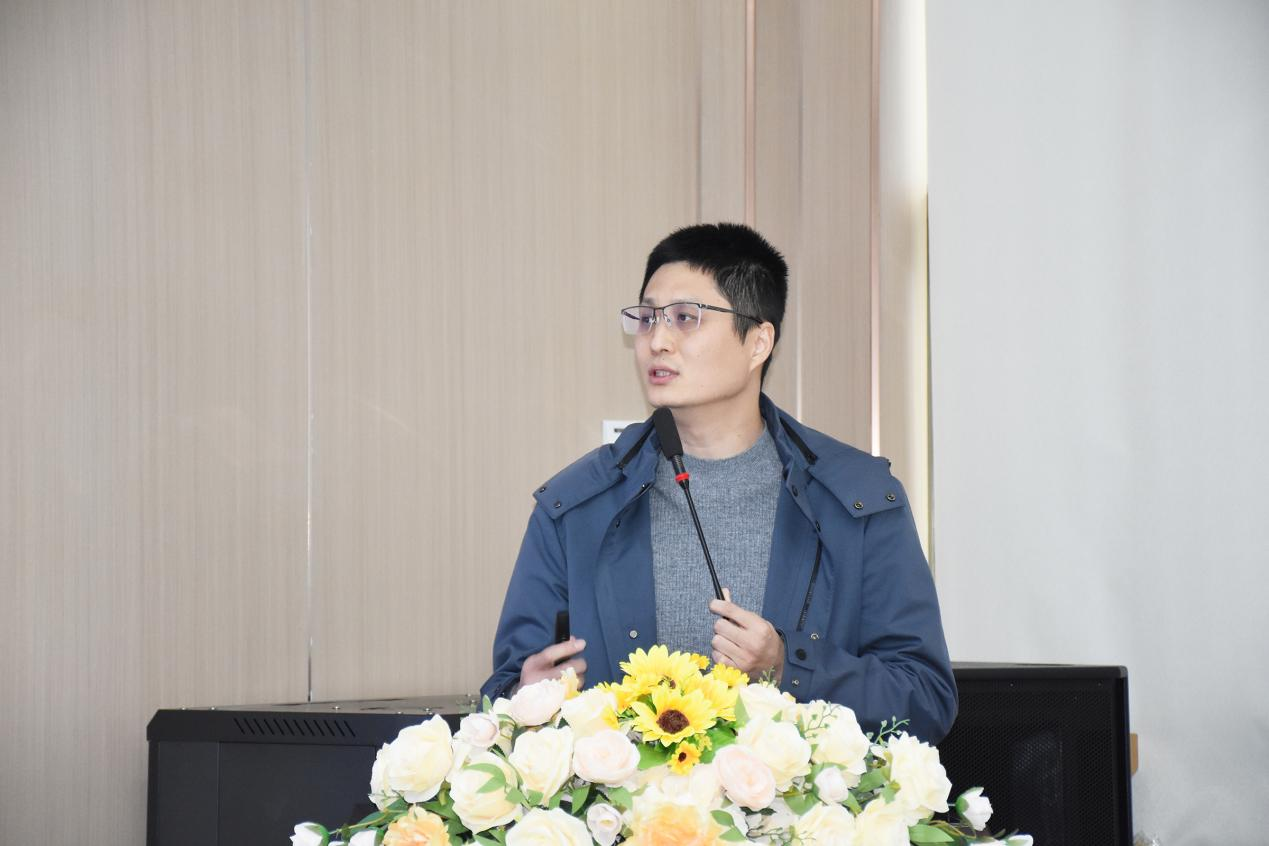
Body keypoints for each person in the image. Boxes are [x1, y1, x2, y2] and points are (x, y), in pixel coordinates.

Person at [481, 223, 957, 742]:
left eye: (685, 318)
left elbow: (925, 700)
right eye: (647, 318)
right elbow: (504, 694)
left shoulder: (856, 500)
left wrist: (788, 666)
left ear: (758, 342)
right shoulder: (575, 508)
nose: (657, 341)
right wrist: (523, 698)